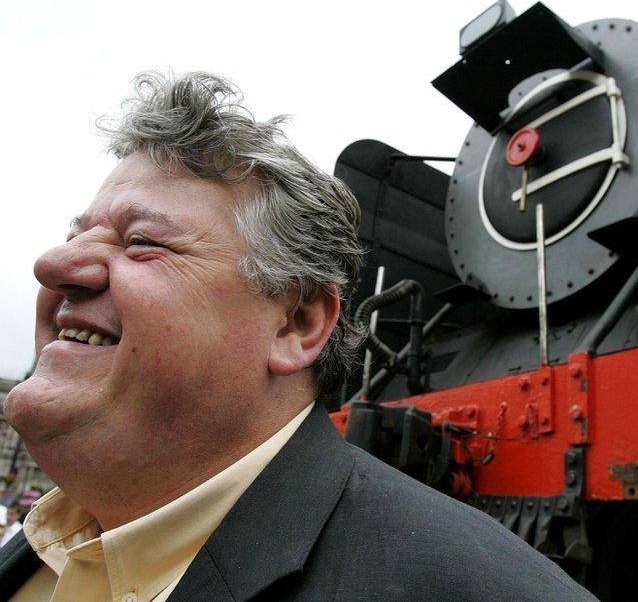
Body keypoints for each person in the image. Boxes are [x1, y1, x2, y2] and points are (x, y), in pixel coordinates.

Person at [0, 72, 596, 601]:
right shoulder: (26, 554)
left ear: (296, 324)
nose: (55, 264)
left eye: (142, 242)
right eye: (78, 236)